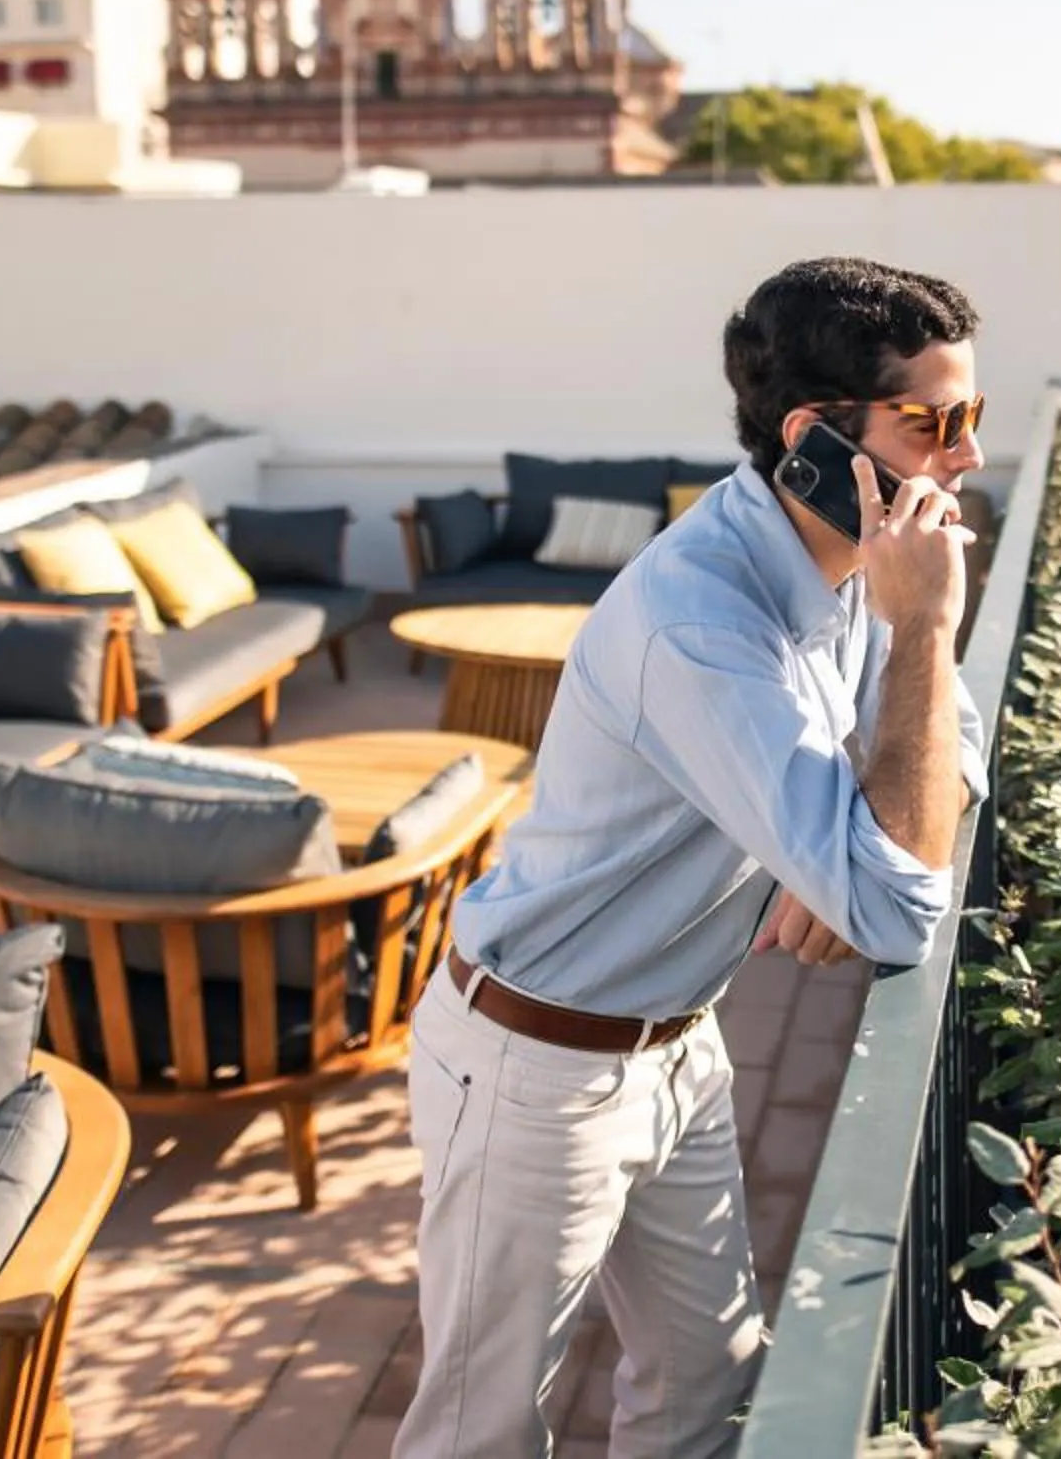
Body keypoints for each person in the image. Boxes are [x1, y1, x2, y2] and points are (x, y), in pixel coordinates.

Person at [395, 256, 992, 1459]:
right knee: (480, 1433)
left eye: (971, 415)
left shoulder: (842, 569)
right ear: (816, 440)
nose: (968, 455)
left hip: (679, 1043)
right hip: (535, 1062)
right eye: (933, 424)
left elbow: (955, 761)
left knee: (706, 1393)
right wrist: (926, 630)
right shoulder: (703, 620)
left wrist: (843, 852)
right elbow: (895, 901)